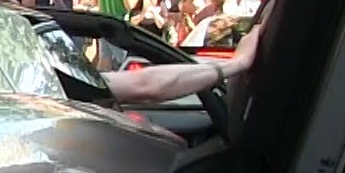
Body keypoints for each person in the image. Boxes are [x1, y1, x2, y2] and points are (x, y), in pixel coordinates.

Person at [104, 20, 264, 103]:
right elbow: (146, 84)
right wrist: (237, 63)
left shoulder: (80, 78)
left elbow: (145, 83)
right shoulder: (79, 80)